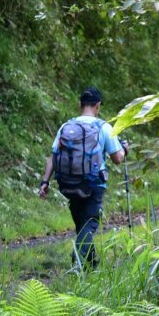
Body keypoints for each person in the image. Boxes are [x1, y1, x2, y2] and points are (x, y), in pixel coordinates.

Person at [38, 86, 128, 268]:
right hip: (93, 184)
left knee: (82, 224)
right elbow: (118, 158)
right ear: (98, 106)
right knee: (89, 224)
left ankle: (91, 263)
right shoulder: (103, 127)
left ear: (80, 104)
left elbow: (53, 157)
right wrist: (125, 148)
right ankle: (77, 263)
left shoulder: (66, 126)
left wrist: (45, 182)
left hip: (68, 183)